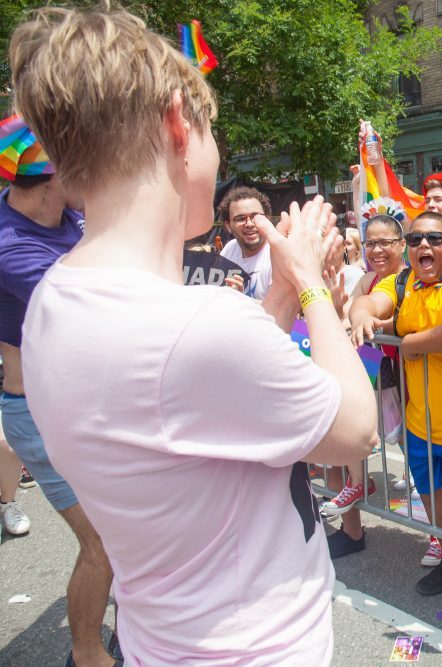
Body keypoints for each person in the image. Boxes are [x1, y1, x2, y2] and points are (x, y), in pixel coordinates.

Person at [9, 5, 378, 664]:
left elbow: (198, 394)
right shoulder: (195, 326)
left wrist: (282, 292)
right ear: (179, 125)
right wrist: (314, 285)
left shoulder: (52, 306)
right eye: (213, 129)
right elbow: (354, 428)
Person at [0, 115, 117, 667]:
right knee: (103, 545)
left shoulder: (66, 215)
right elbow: (93, 299)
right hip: (39, 414)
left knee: (129, 532)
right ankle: (87, 654)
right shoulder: (9, 246)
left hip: (85, 404)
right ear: (53, 177)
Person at [350, 211, 442, 607]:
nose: (423, 247)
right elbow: (368, 301)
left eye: (434, 238)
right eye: (414, 240)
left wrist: (407, 341)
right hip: (419, 424)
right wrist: (363, 317)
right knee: (433, 497)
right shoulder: (403, 281)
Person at [323, 212, 408, 558]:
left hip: (412, 372)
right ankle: (356, 499)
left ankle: (439, 536)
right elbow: (350, 315)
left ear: (401, 245)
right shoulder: (366, 279)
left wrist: (373, 321)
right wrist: (341, 309)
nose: (375, 249)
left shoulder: (411, 276)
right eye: (370, 242)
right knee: (366, 434)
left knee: (415, 453)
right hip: (378, 372)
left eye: (384, 242)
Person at [218, 185, 273, 298]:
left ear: (267, 218)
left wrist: (241, 300)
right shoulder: (229, 250)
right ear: (228, 226)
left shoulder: (277, 257)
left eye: (255, 216)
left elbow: (279, 312)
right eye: (240, 218)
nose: (249, 224)